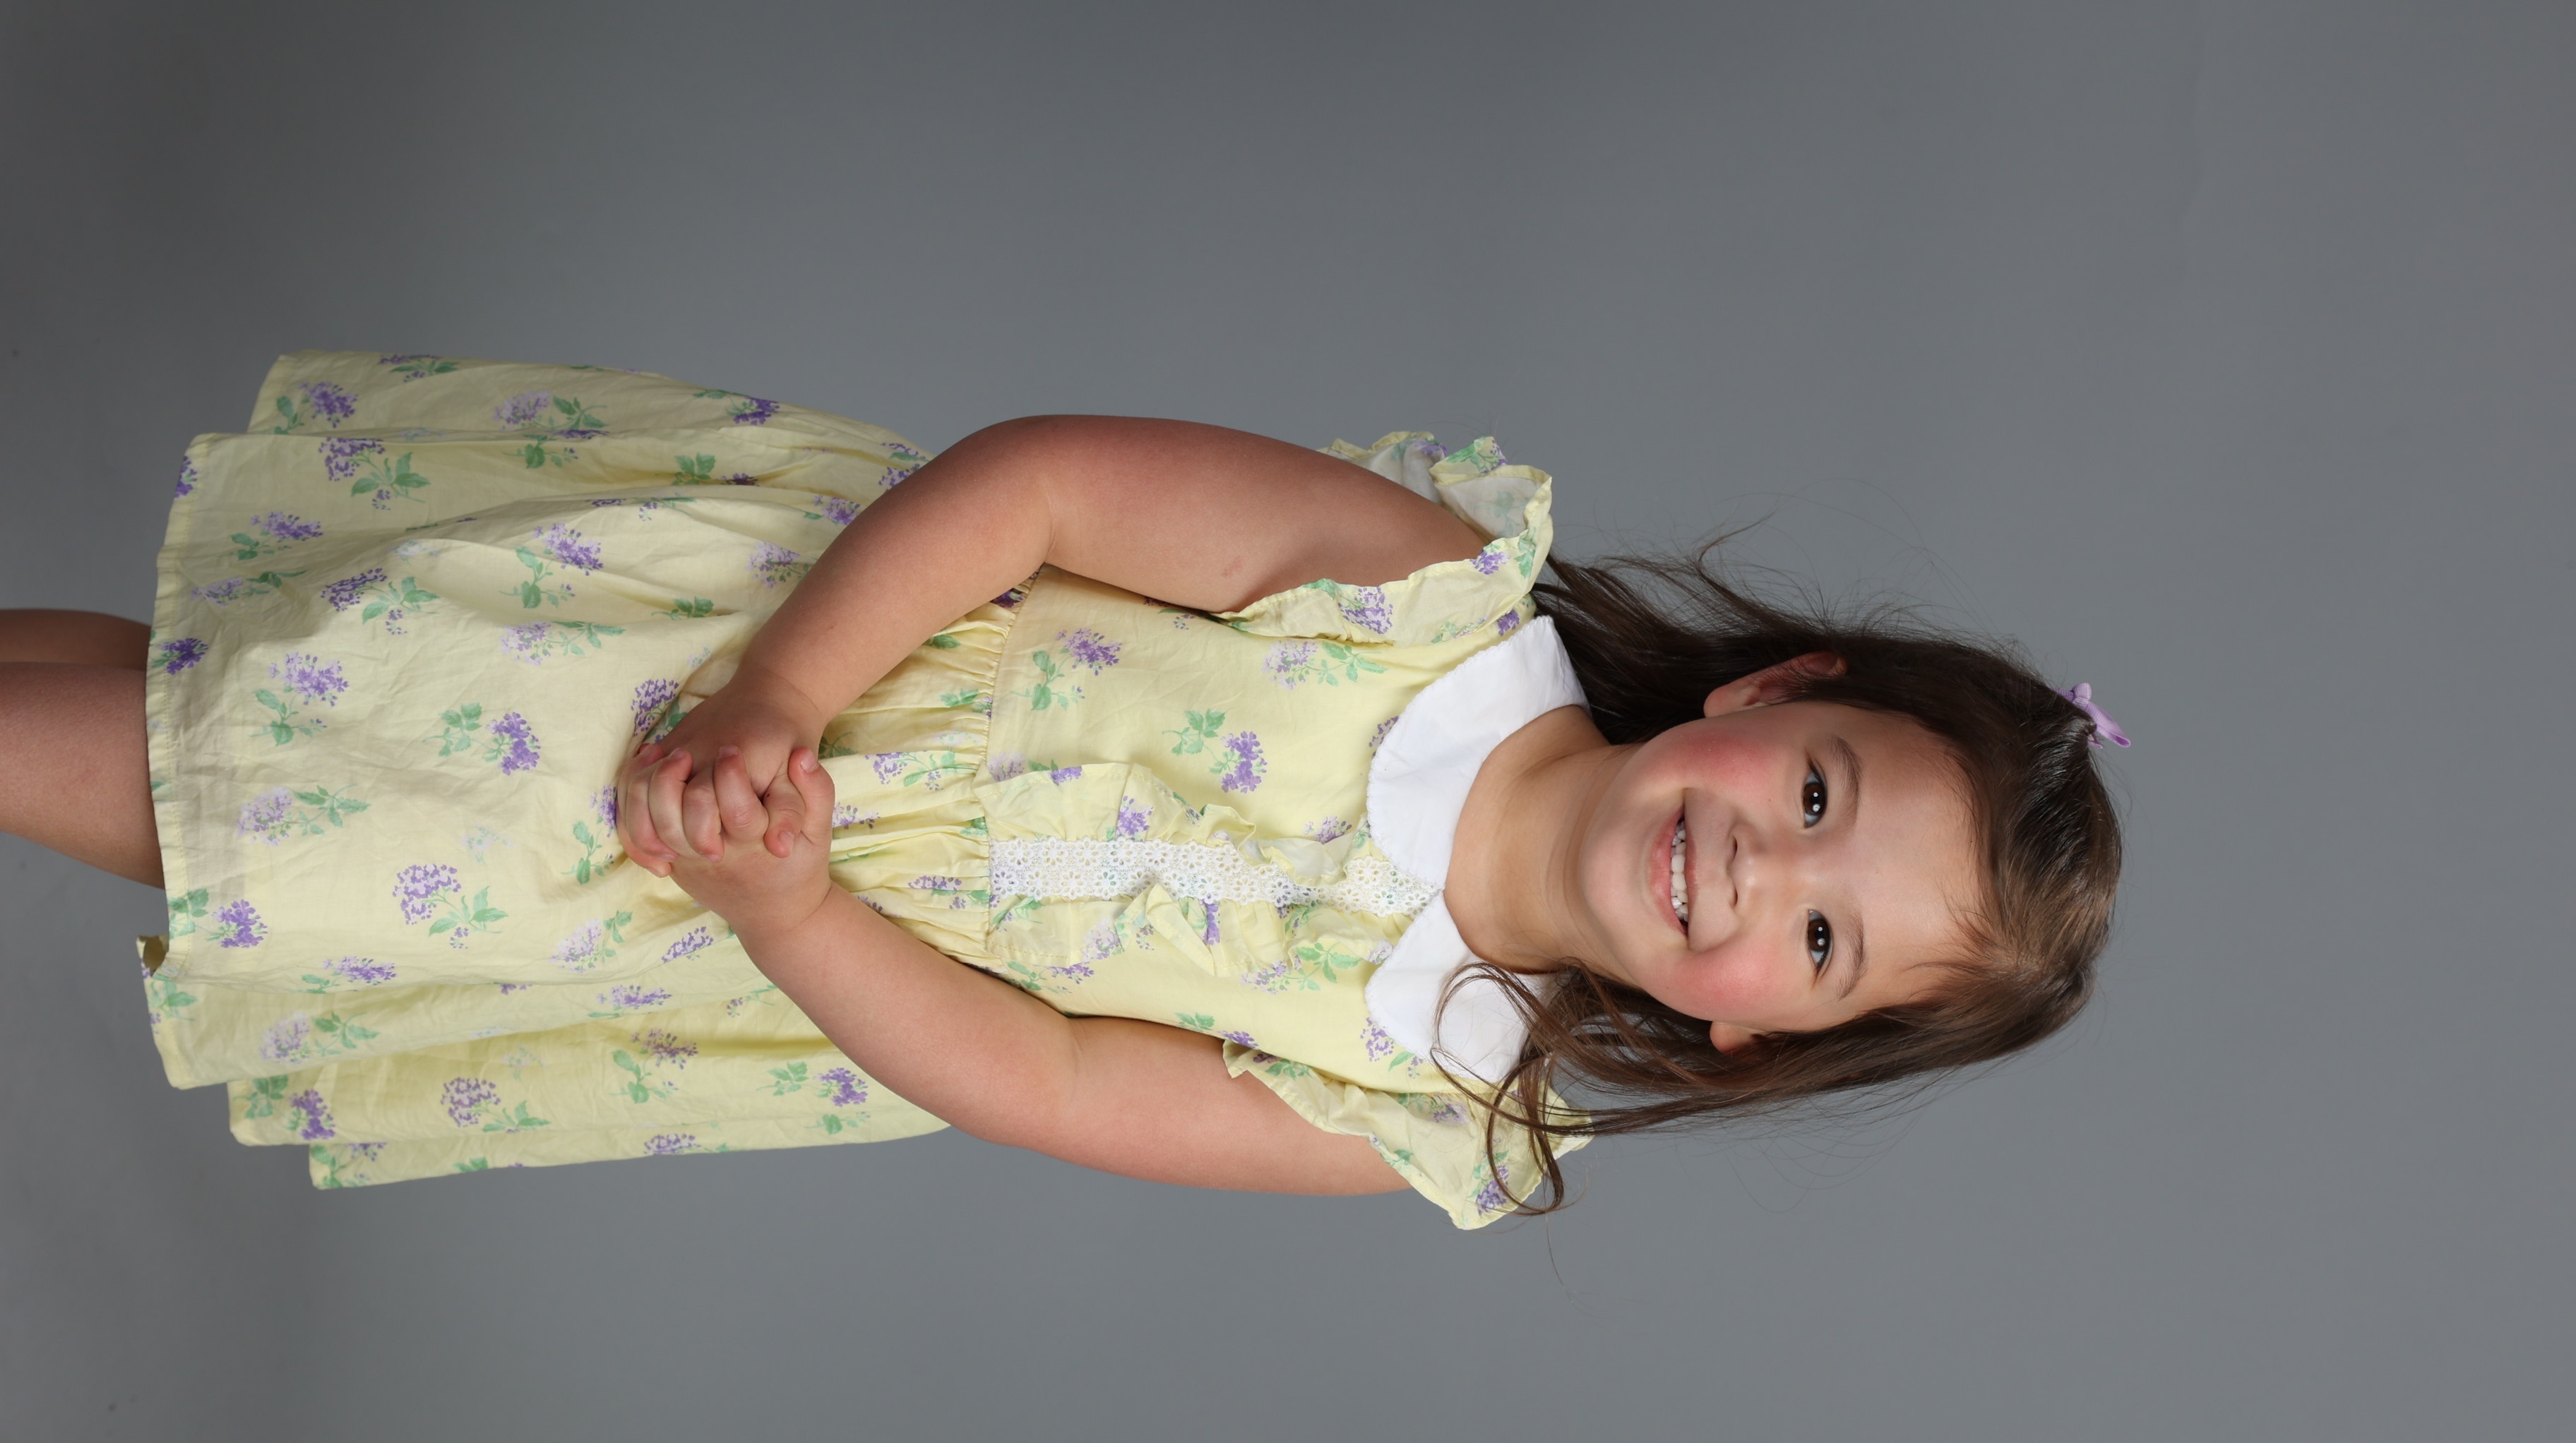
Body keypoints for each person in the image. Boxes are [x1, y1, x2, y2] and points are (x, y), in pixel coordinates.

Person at [0, 352, 2123, 1228]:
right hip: (748, 651)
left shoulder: (1429, 1089)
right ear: (1778, 685)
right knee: (227, 710)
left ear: (1764, 1034)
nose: (1757, 868)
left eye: (1822, 937)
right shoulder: (1427, 605)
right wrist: (782, 690)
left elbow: (1051, 1076)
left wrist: (787, 908)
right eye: (1820, 792)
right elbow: (1045, 487)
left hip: (706, 891)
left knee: (226, 782)